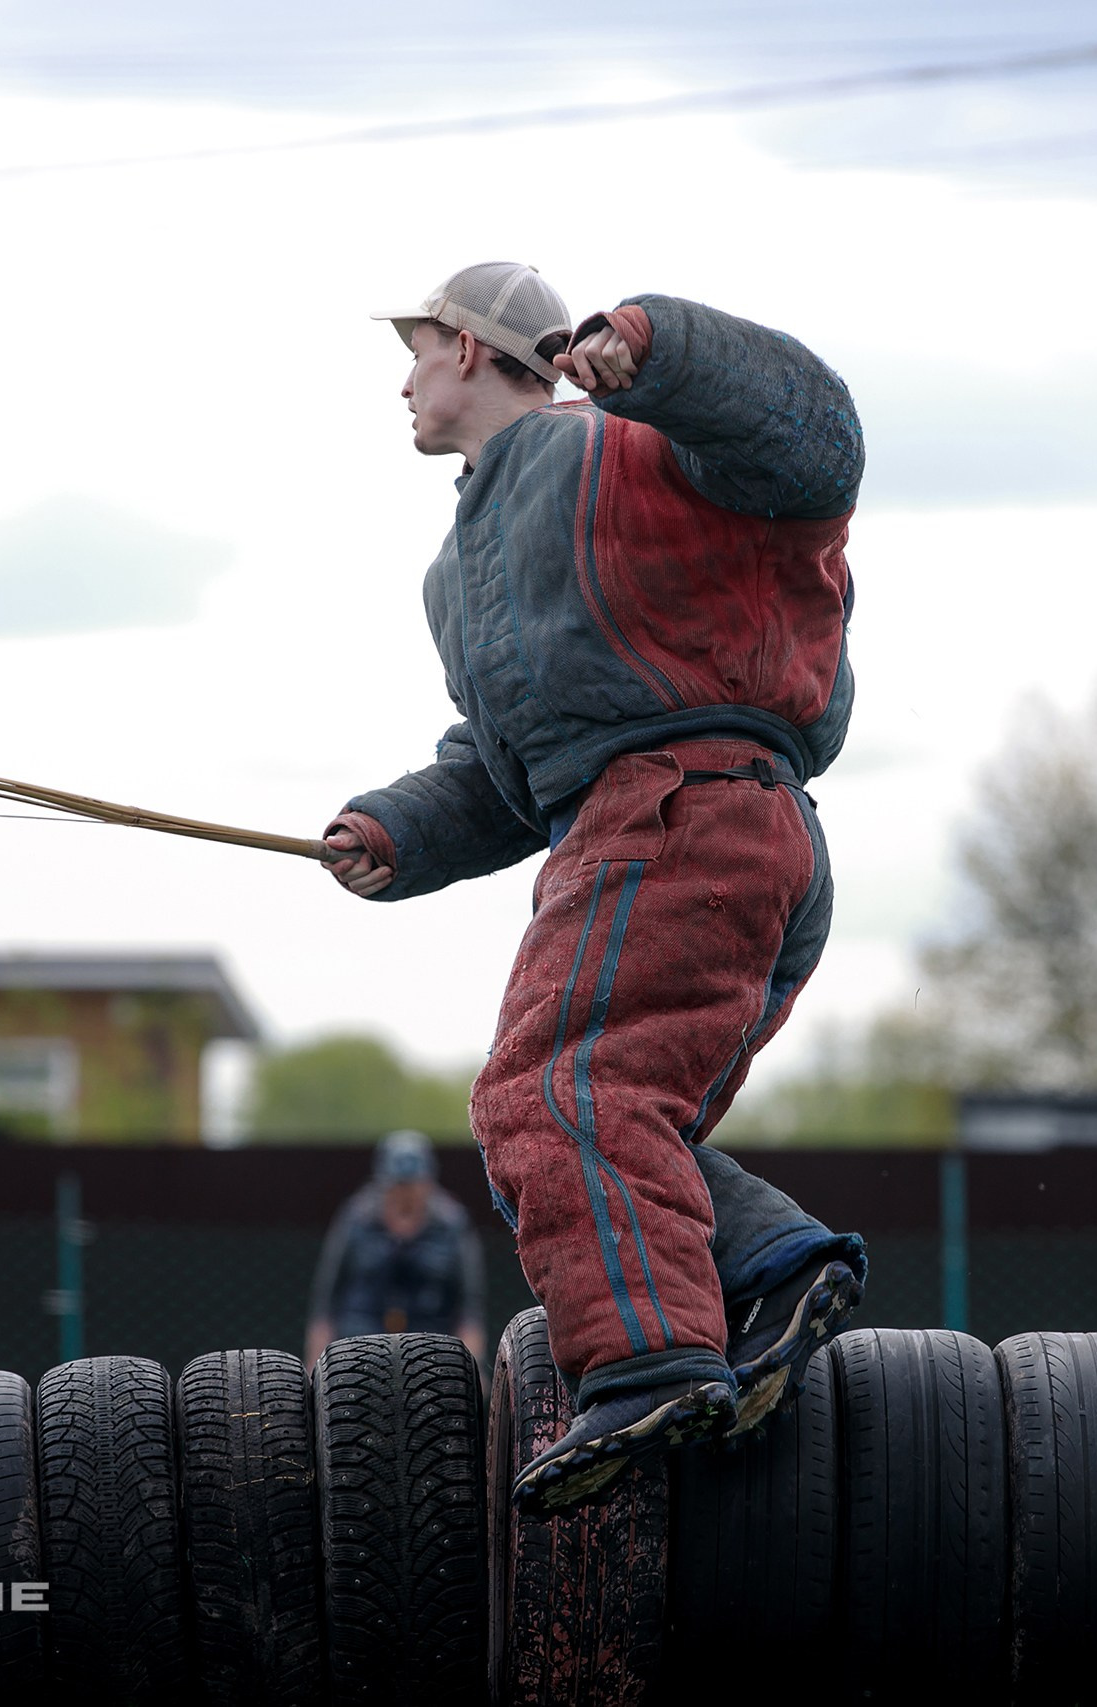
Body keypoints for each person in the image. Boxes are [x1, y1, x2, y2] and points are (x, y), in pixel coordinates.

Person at [323, 262, 867, 1517]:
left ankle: (649, 1364)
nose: (401, 381)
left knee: (555, 1095)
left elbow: (817, 441)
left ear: (467, 348)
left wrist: (655, 351)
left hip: (680, 817)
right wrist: (395, 833)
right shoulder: (454, 575)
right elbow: (505, 766)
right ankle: (775, 1264)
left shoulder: (632, 446)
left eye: (413, 351)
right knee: (616, 1124)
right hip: (679, 829)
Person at [305, 1129, 488, 1365]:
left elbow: (469, 1306)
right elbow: (326, 1299)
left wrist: (471, 1367)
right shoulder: (357, 1219)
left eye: (412, 1186)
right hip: (357, 1354)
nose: (405, 1196)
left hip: (430, 1355)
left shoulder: (451, 1225)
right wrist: (316, 1366)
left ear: (428, 1184)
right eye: (398, 1186)